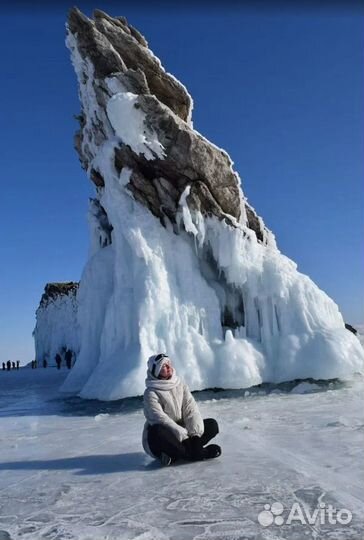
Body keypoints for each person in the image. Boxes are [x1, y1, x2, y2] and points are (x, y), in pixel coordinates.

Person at [142, 353, 221, 466]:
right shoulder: (151, 393)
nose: (168, 367)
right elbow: (159, 418)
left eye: (169, 363)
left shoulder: (180, 385)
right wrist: (184, 437)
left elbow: (191, 409)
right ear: (156, 371)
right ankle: (198, 453)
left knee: (212, 425)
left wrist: (195, 436)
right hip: (164, 436)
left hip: (184, 433)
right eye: (163, 366)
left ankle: (179, 453)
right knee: (157, 431)